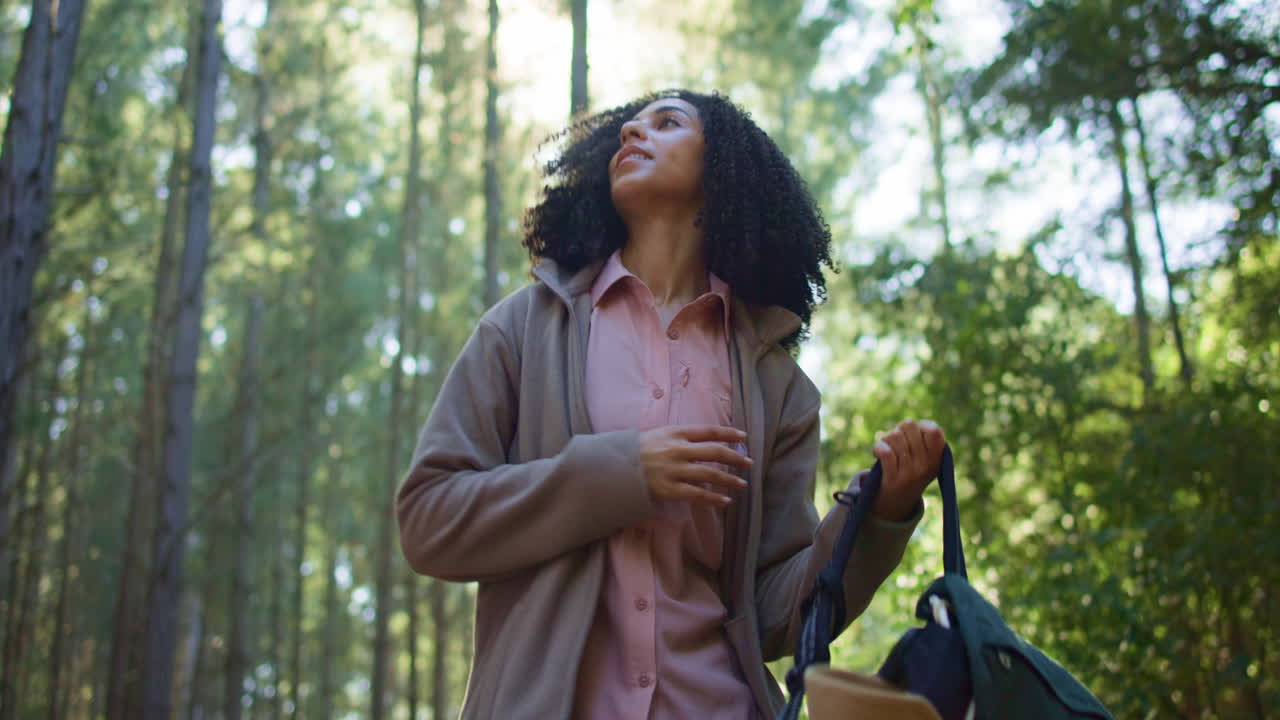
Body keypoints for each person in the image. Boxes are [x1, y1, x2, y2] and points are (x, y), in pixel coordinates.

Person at [396, 90, 946, 720]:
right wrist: (622, 473)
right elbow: (428, 522)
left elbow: (771, 615)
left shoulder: (778, 387)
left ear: (725, 172)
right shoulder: (520, 330)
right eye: (628, 128)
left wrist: (876, 517)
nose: (633, 133)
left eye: (667, 122)